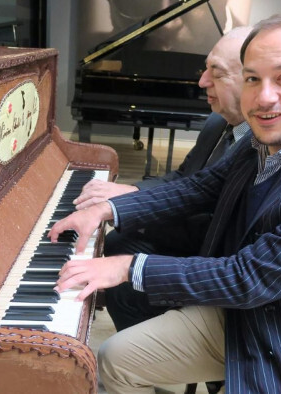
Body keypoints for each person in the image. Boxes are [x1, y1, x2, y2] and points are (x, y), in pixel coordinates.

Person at [51, 10, 281, 393]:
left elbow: (251, 277)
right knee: (114, 358)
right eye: (252, 79)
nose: (265, 98)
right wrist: (106, 209)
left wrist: (128, 267)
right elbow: (198, 188)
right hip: (241, 314)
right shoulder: (258, 140)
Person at [74, 26, 252, 333]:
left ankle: (147, 346)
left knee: (124, 264)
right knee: (116, 240)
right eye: (205, 69)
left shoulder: (262, 144)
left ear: (251, 80)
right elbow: (185, 178)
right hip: (191, 230)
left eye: (217, 72)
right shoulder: (217, 121)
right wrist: (131, 192)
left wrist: (129, 204)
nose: (201, 82)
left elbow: (210, 217)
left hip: (214, 257)